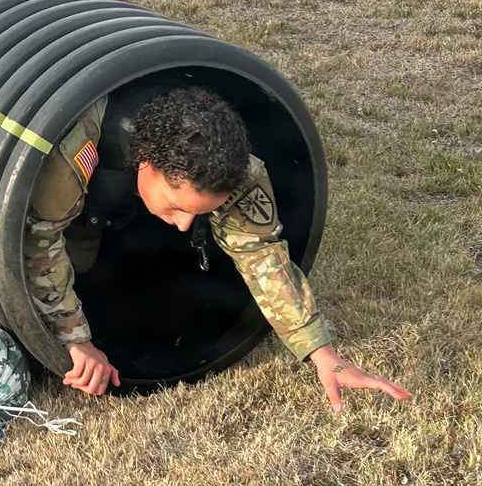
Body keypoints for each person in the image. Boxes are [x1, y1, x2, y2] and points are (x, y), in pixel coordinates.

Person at [23, 85, 411, 412]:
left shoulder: (232, 166)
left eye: (198, 213)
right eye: (177, 206)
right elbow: (37, 242)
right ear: (147, 164)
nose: (183, 224)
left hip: (117, 210)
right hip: (78, 212)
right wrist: (78, 341)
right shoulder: (77, 149)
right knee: (80, 261)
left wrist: (322, 353)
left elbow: (261, 255)